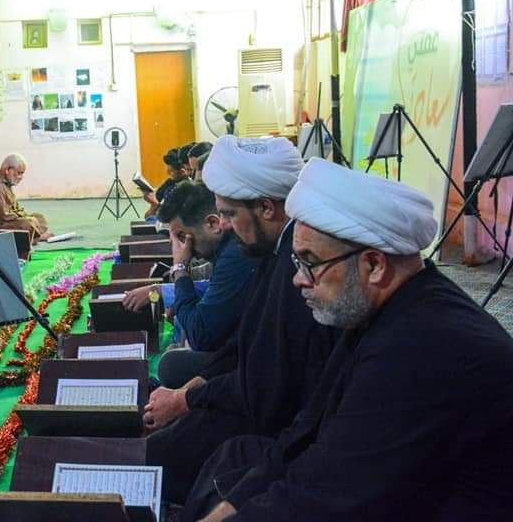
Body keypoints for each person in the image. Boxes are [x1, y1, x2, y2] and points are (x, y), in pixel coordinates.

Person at [185, 158, 513, 522]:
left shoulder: (421, 348)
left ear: (373, 265)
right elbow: (307, 430)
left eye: (310, 262)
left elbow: (323, 495)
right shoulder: (385, 307)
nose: (298, 279)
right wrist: (229, 507)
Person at [143, 135, 338, 506]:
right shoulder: (270, 251)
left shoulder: (294, 266)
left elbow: (265, 385)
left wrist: (188, 398)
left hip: (271, 417)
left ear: (266, 208)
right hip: (255, 397)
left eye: (230, 214)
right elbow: (245, 344)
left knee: (159, 458)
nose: (226, 226)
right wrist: (192, 390)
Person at [123, 181, 257, 388]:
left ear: (212, 223)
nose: (179, 246)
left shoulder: (235, 253)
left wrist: (179, 269)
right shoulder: (227, 249)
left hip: (251, 362)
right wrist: (164, 290)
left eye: (181, 236)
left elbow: (201, 336)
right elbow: (208, 288)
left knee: (171, 366)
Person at [0, 154, 53, 243]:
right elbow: (2, 216)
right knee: (28, 223)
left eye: (22, 174)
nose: (21, 177)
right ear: (7, 170)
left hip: (11, 219)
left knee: (39, 218)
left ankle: (33, 234)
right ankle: (36, 237)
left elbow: (16, 208)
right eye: (19, 173)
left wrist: (25, 216)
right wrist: (24, 217)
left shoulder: (7, 184)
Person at [143, 148, 191, 220]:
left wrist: (155, 204)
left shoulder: (188, 189)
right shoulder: (169, 183)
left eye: (171, 170)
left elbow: (174, 218)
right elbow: (148, 216)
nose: (167, 173)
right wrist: (153, 202)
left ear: (182, 172)